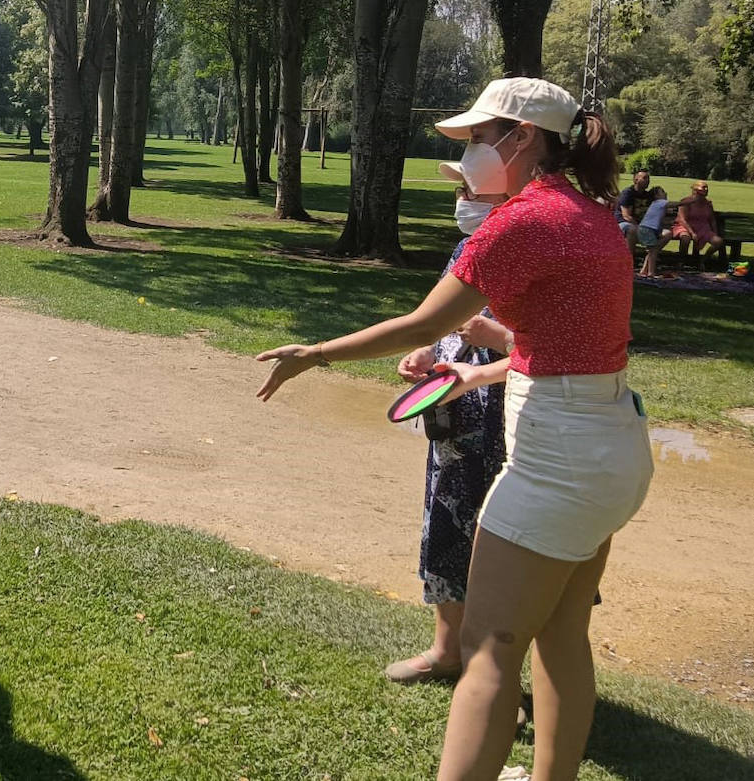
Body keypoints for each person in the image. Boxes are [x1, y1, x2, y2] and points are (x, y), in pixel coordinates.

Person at [257, 76, 652, 781]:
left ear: (522, 137)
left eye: (477, 138)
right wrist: (471, 370)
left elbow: (423, 324)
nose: (470, 155)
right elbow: (557, 344)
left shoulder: (523, 221)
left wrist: (313, 353)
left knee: (489, 643)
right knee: (562, 635)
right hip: (614, 448)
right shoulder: (594, 216)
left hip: (556, 457)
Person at [385, 164, 511, 687]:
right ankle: (446, 651)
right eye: (459, 187)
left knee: (505, 544)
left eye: (469, 186)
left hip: (509, 423)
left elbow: (559, 348)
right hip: (456, 424)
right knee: (445, 527)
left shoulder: (532, 252)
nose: (461, 196)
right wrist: (424, 353)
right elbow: (440, 327)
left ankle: (501, 668)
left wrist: (494, 334)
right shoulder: (464, 252)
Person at [673, 180, 724, 267]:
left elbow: (712, 219)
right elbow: (682, 220)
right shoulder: (686, 202)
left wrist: (715, 232)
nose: (706, 189)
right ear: (695, 189)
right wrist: (692, 233)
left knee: (718, 241)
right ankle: (681, 261)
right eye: (703, 187)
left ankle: (702, 261)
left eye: (707, 187)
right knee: (685, 238)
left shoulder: (708, 204)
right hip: (685, 226)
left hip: (703, 228)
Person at [636, 187, 675, 278]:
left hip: (649, 230)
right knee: (653, 251)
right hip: (647, 230)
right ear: (656, 196)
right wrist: (690, 201)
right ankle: (651, 273)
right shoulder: (660, 203)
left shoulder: (658, 205)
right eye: (662, 192)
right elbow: (678, 203)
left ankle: (644, 270)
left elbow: (658, 221)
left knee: (652, 250)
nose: (665, 193)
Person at [615, 169, 653, 245]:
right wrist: (641, 227)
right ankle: (630, 256)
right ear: (635, 180)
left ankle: (652, 256)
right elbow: (626, 216)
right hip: (623, 223)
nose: (648, 180)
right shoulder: (628, 193)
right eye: (645, 178)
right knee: (632, 229)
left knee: (665, 234)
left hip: (639, 225)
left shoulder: (648, 195)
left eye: (648, 178)